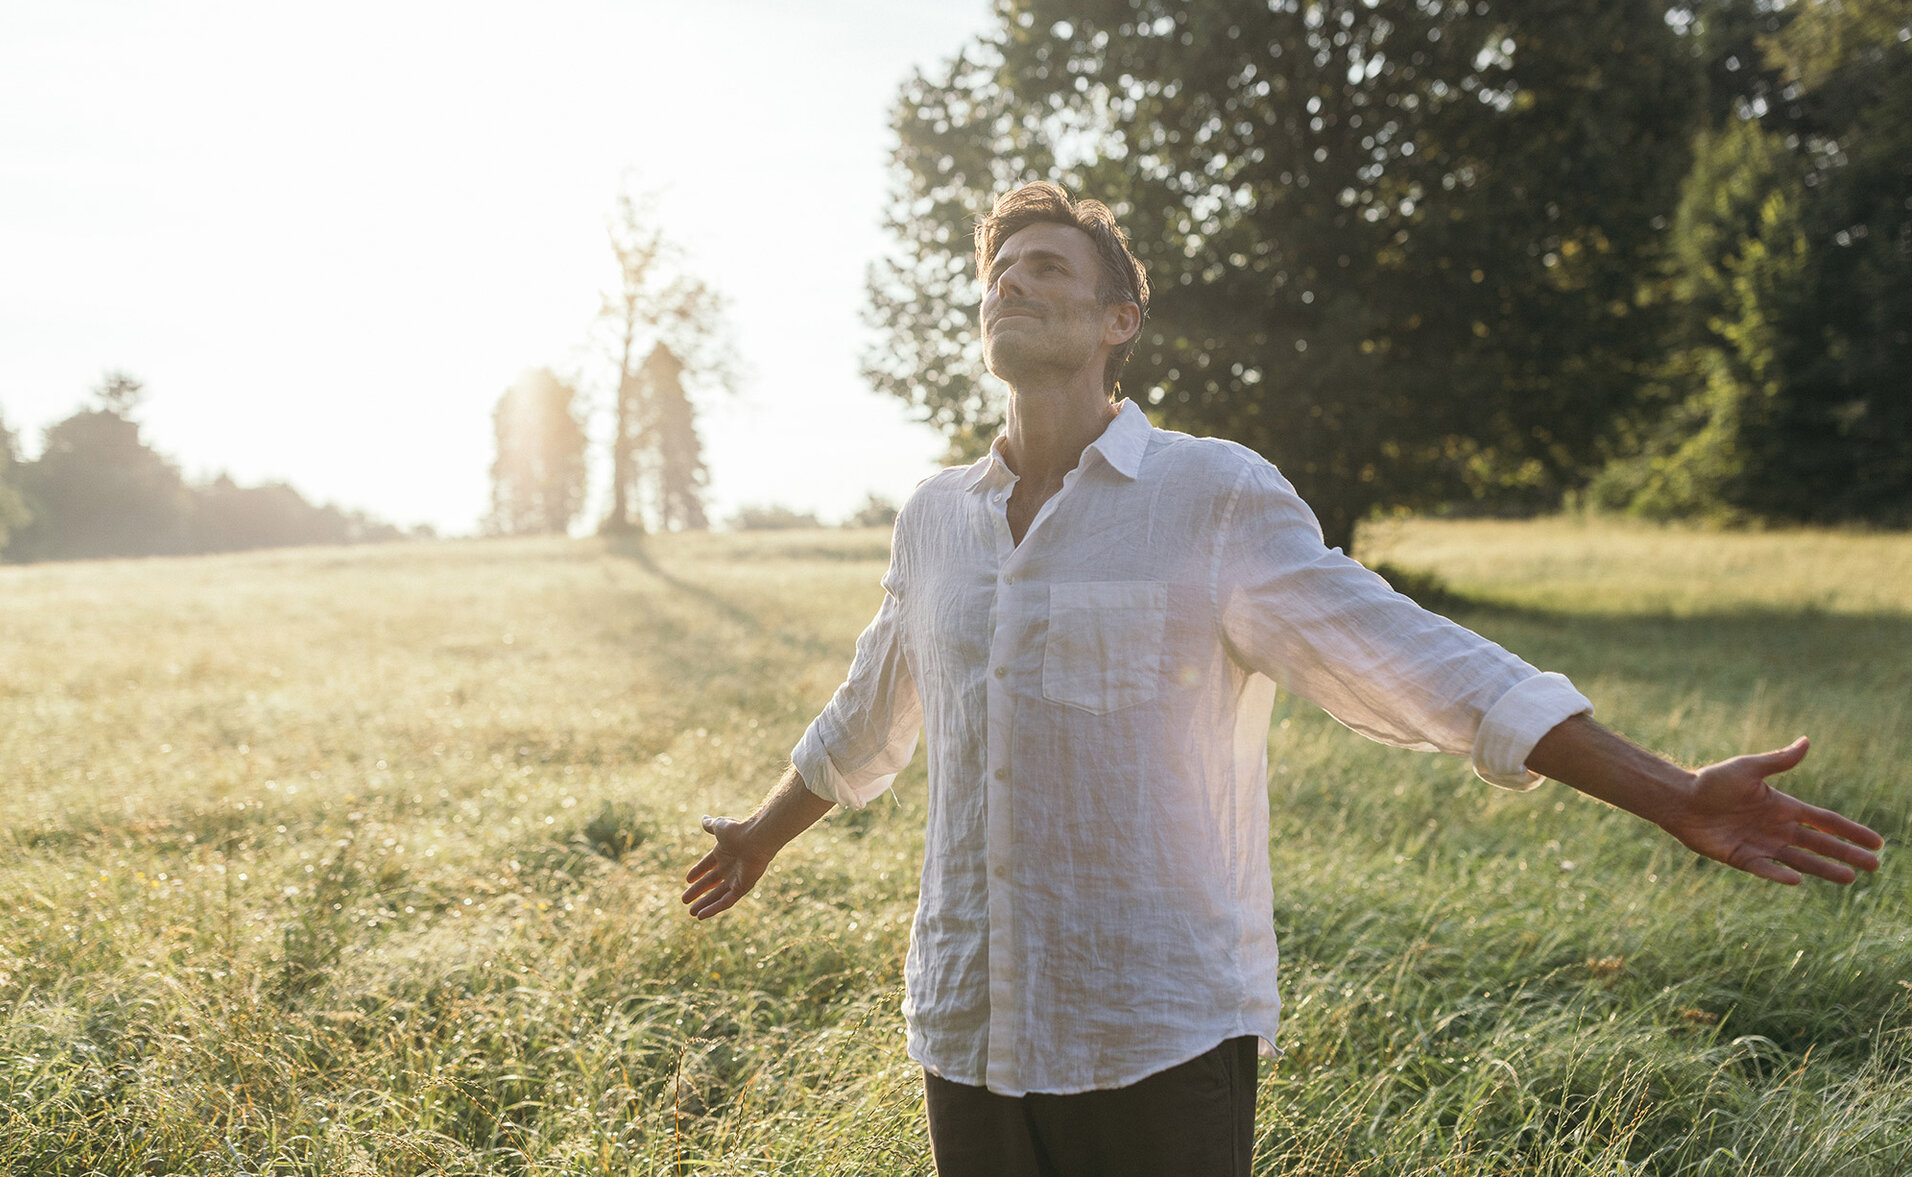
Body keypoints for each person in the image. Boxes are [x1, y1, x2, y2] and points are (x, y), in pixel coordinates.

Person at [681, 182, 1884, 1177]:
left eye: (1051, 267)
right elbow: (869, 710)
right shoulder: (935, 521)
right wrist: (761, 833)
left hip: (1152, 1030)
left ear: (1119, 324)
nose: (1017, 282)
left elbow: (1421, 662)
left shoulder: (1210, 499)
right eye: (1002, 271)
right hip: (968, 1023)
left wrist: (1669, 791)